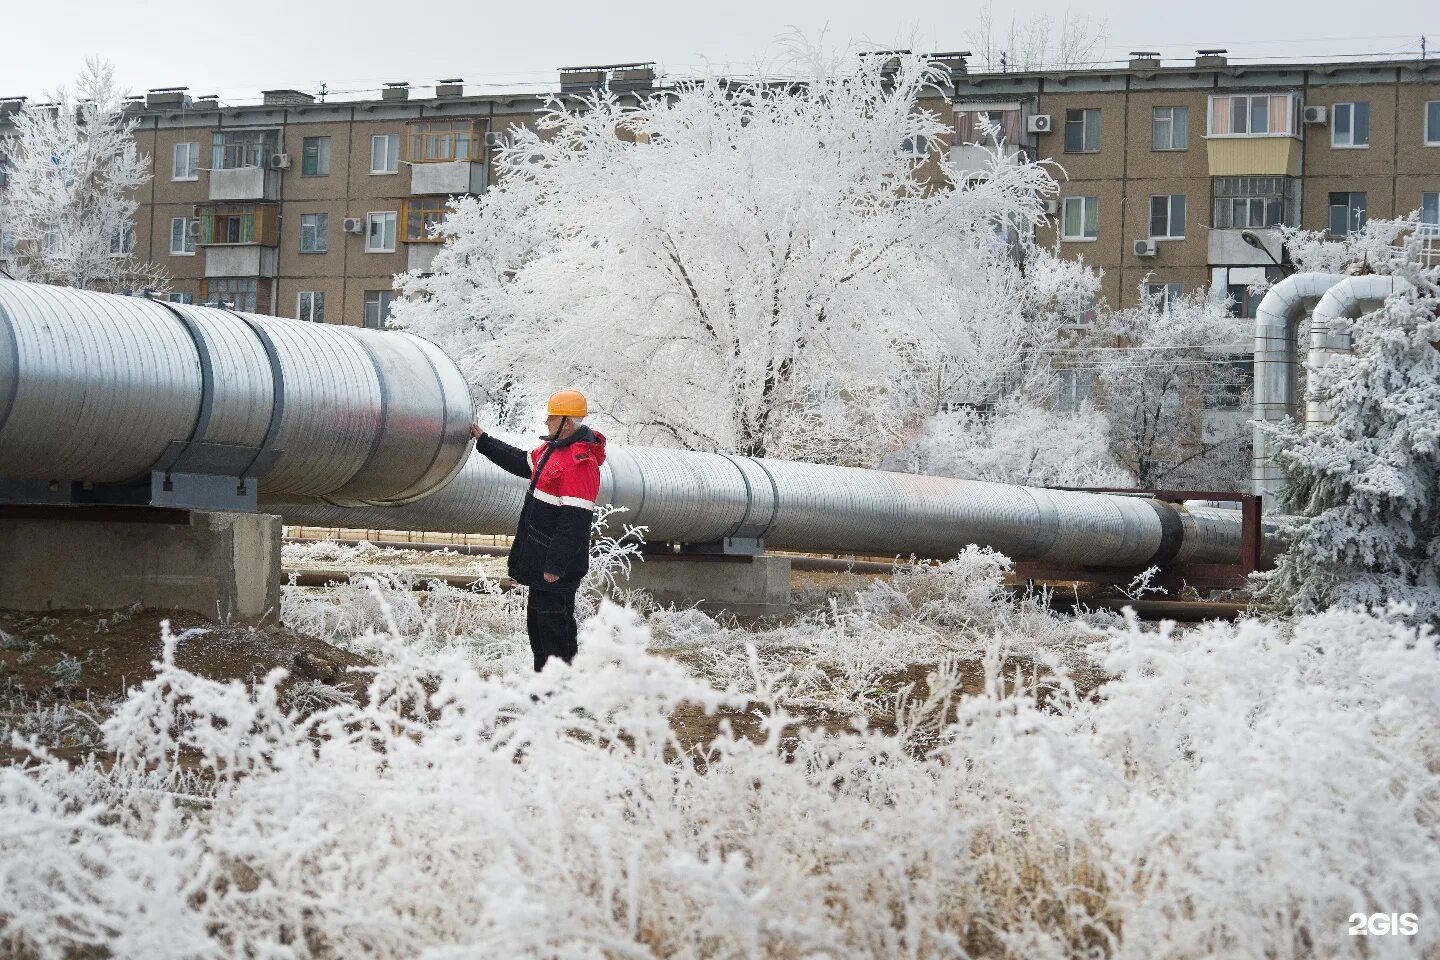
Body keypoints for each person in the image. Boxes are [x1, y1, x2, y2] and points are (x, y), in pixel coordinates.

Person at [471, 389, 606, 672]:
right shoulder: (551, 451)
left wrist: (555, 567)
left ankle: (560, 692)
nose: (546, 422)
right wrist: (483, 441)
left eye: (551, 418)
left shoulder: (580, 464)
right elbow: (520, 461)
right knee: (538, 626)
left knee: (555, 629)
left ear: (566, 423)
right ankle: (544, 687)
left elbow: (574, 522)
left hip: (556, 569)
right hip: (542, 562)